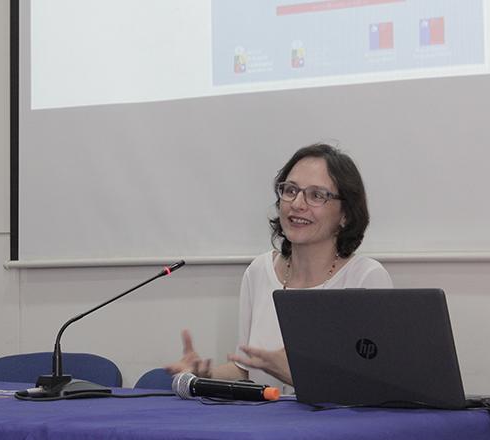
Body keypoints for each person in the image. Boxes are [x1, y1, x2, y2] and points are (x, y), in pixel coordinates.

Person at [166, 143, 392, 391]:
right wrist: (205, 374)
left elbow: (373, 388)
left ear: (345, 214)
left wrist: (295, 375)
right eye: (291, 190)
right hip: (263, 425)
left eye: (316, 195)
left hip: (331, 428)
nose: (297, 204)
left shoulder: (365, 278)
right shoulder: (259, 271)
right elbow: (245, 371)